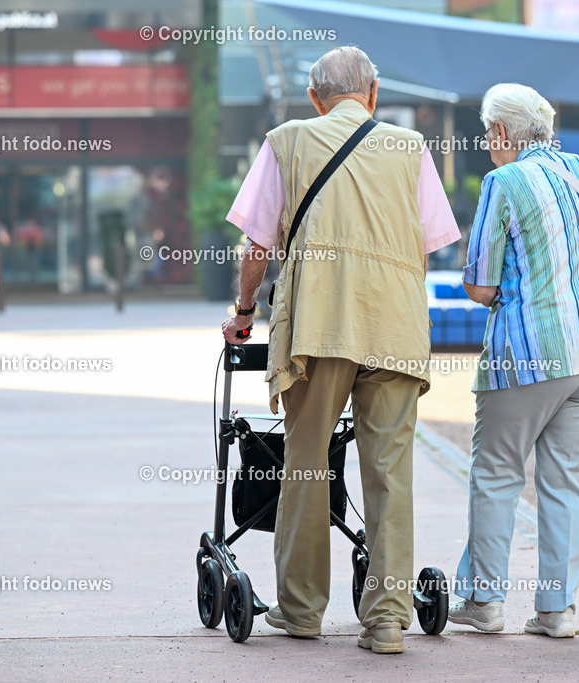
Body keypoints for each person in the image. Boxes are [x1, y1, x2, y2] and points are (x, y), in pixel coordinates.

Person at [220, 46, 459, 654]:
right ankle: (385, 621)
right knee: (388, 472)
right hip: (396, 328)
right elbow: (427, 243)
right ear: (374, 94)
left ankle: (301, 612)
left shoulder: (287, 141)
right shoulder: (412, 148)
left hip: (320, 328)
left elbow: (256, 246)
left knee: (306, 464)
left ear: (313, 97)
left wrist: (245, 312)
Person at [448, 83, 579, 638]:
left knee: (496, 472)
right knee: (567, 481)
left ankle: (484, 601)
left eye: (489, 134)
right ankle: (557, 611)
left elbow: (481, 287)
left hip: (527, 355)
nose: (488, 145)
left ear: (503, 133)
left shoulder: (502, 182)